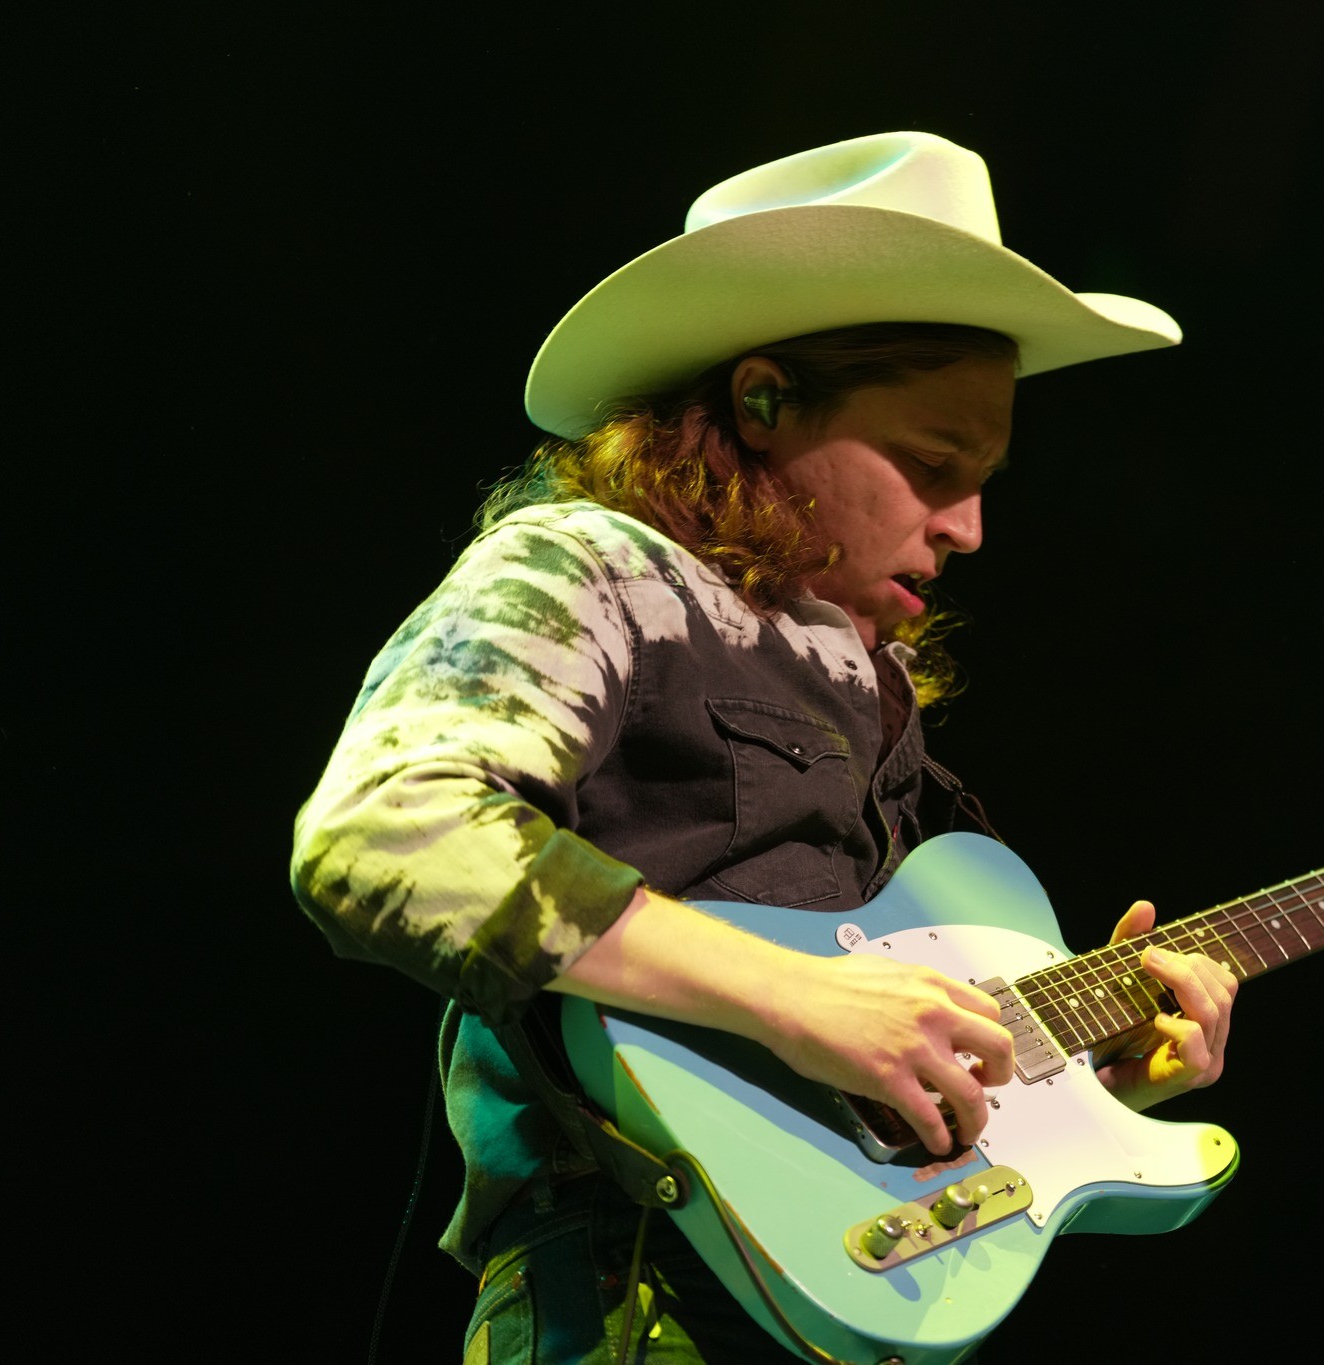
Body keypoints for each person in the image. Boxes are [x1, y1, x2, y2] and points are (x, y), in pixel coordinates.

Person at [291, 131, 1240, 1363]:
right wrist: (796, 998)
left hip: (842, 1299)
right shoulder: (595, 566)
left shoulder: (869, 686)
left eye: (984, 478)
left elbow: (856, 1053)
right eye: (931, 463)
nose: (966, 528)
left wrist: (1082, 1083)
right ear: (761, 403)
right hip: (636, 1288)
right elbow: (386, 831)